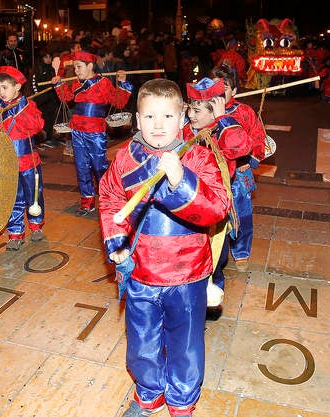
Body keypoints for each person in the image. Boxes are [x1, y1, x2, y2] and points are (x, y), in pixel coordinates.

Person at [98, 78, 230, 417]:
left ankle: (182, 402)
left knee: (185, 344)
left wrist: (180, 180)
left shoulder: (198, 156)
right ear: (136, 119)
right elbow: (111, 198)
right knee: (142, 342)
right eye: (149, 117)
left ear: (183, 116)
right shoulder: (126, 157)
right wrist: (116, 242)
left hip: (186, 274)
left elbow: (217, 208)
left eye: (168, 117)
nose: (158, 126)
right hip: (140, 270)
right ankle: (149, 394)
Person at [183, 77, 250, 308]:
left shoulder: (222, 132)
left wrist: (223, 119)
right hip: (188, 206)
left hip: (215, 211)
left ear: (215, 112)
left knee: (215, 258)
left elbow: (241, 146)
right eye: (190, 108)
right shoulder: (187, 131)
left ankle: (212, 300)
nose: (192, 114)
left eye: (198, 110)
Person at [51, 50, 132, 216]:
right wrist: (58, 83)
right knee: (82, 167)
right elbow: (66, 98)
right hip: (77, 131)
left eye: (79, 67)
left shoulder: (103, 83)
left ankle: (106, 199)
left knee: (99, 167)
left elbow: (118, 101)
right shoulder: (76, 83)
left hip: (95, 132)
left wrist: (122, 83)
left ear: (90, 66)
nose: (76, 71)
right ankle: (87, 202)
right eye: (75, 68)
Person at [0, 66, 46, 250]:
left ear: (17, 87)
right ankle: (15, 233)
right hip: (7, 163)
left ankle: (36, 225)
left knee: (34, 195)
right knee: (12, 198)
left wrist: (20, 112)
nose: (1, 92)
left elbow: (37, 126)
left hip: (28, 161)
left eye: (5, 87)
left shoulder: (27, 105)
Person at [212, 65, 265, 272]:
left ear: (233, 91)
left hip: (238, 175)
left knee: (242, 215)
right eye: (214, 86)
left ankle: (241, 251)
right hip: (211, 175)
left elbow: (258, 140)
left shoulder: (243, 112)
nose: (218, 91)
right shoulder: (202, 110)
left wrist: (247, 159)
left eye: (224, 87)